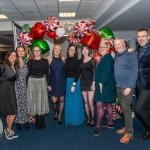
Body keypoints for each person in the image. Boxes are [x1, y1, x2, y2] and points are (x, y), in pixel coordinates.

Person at [114, 38, 138, 143]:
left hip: (127, 87)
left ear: (124, 44)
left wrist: (130, 86)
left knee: (126, 108)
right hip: (118, 86)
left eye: (119, 44)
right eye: (115, 45)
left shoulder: (131, 54)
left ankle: (129, 133)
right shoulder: (117, 55)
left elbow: (134, 70)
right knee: (123, 109)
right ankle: (127, 126)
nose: (117, 46)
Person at [93, 41, 116, 136]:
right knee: (108, 104)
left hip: (103, 85)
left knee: (99, 105)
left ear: (107, 48)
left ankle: (98, 127)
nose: (101, 48)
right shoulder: (107, 57)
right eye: (100, 47)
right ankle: (110, 123)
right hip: (108, 85)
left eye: (103, 47)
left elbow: (106, 72)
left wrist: (101, 82)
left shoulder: (107, 58)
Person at [27, 46, 51, 129]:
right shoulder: (30, 61)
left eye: (38, 50)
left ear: (40, 51)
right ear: (33, 52)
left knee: (42, 101)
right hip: (32, 82)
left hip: (42, 82)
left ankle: (42, 120)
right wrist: (26, 85)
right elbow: (28, 73)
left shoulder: (45, 61)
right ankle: (37, 120)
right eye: (34, 50)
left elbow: (47, 73)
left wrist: (49, 84)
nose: (36, 52)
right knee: (34, 101)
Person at [135, 28, 150, 141]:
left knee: (139, 109)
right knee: (147, 108)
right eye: (139, 37)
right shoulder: (139, 49)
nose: (141, 39)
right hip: (139, 84)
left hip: (147, 85)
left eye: (143, 36)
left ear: (148, 37)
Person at [0, 50, 18, 140]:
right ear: (7, 56)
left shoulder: (13, 66)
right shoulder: (4, 65)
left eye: (14, 55)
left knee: (9, 110)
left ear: (16, 57)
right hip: (5, 89)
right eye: (10, 55)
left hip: (11, 89)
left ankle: (8, 130)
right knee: (13, 111)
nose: (12, 57)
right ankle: (8, 129)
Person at [65, 44, 85, 126]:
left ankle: (76, 120)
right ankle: (69, 119)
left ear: (75, 52)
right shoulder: (66, 60)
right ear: (68, 50)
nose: (71, 50)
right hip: (67, 81)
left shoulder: (77, 61)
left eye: (73, 49)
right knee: (69, 101)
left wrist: (73, 85)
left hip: (75, 82)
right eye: (70, 49)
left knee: (75, 101)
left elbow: (78, 73)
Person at [48, 44, 66, 124]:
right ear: (53, 50)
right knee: (54, 100)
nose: (57, 50)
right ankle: (55, 112)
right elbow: (46, 71)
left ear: (60, 50)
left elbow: (66, 70)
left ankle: (59, 115)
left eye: (58, 49)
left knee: (62, 99)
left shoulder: (63, 58)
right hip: (53, 82)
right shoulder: (49, 58)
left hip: (62, 81)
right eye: (55, 48)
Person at [80, 45, 95, 126]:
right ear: (81, 51)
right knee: (85, 102)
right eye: (83, 49)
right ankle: (88, 117)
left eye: (86, 49)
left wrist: (94, 82)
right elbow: (78, 72)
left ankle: (93, 118)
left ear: (89, 51)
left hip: (90, 83)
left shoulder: (92, 60)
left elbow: (95, 72)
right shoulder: (80, 60)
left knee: (90, 102)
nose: (85, 51)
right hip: (83, 83)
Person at [15, 46, 29, 130]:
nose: (20, 52)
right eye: (18, 51)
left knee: (25, 103)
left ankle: (25, 120)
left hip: (25, 85)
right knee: (17, 104)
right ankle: (18, 122)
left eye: (22, 51)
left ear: (24, 52)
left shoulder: (26, 61)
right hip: (16, 86)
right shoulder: (14, 62)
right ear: (16, 52)